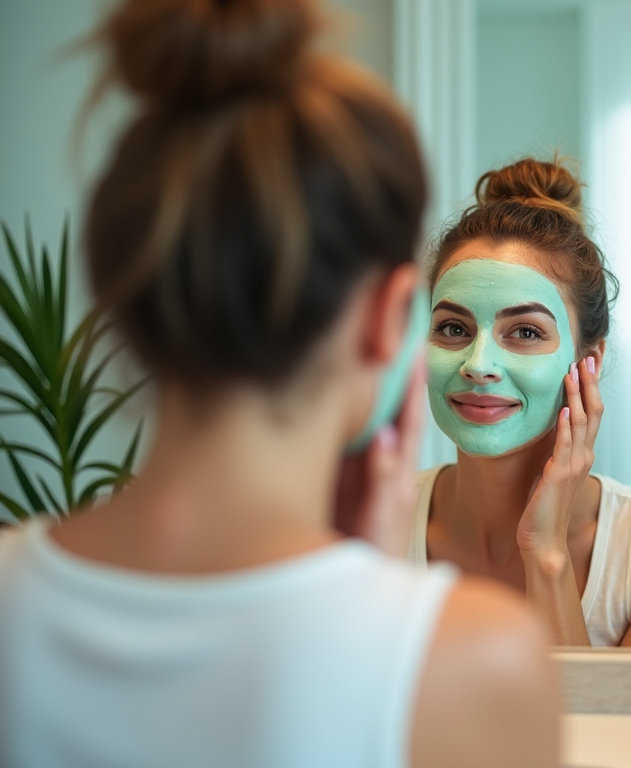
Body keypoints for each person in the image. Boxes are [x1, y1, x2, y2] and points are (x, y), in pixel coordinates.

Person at [0, 2, 559, 767]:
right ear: (392, 317)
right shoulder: (477, 661)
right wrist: (373, 614)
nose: (480, 362)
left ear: (117, 292)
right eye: (452, 325)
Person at [411, 157, 631, 647]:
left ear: (587, 360)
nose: (478, 363)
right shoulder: (367, 524)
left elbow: (593, 727)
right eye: (453, 328)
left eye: (526, 332)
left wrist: (545, 550)